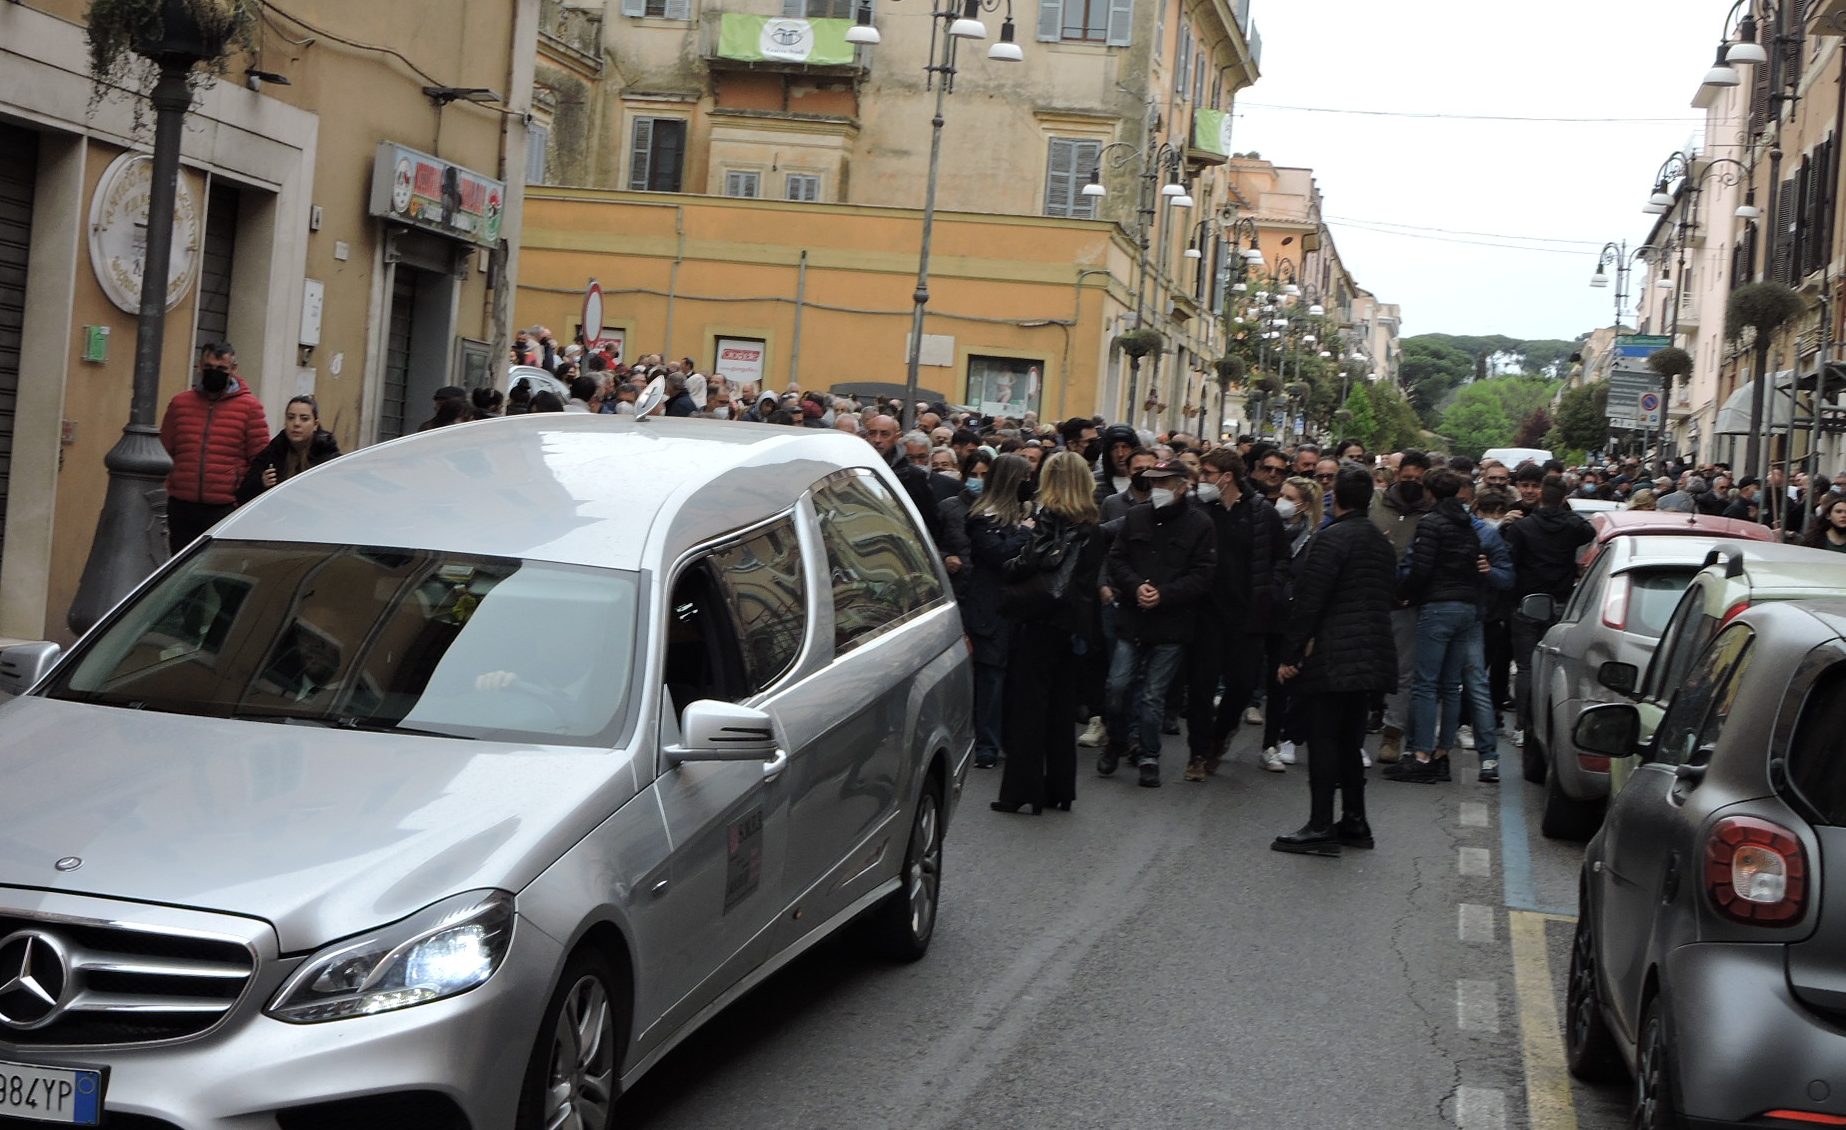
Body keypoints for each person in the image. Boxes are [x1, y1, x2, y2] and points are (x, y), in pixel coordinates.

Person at [1272, 466, 1398, 857]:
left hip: (1334, 653)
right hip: (1370, 654)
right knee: (1348, 740)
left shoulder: (1331, 539)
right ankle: (1355, 820)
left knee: (1324, 740)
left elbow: (1310, 600)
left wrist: (1291, 654)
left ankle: (1321, 824)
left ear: (1336, 499)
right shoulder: (1380, 542)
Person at [993, 451, 1105, 814]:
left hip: (1041, 619)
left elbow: (1033, 562)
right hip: (1073, 624)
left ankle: (1022, 791)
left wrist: (1011, 562)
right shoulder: (1092, 521)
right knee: (1060, 707)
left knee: (1029, 707)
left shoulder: (1050, 517)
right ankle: (1059, 788)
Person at [1101, 458, 1216, 788]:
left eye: (1164, 483)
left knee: (1153, 695)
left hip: (1172, 624)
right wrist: (1135, 586)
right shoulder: (1135, 517)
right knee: (1117, 686)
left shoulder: (1200, 525)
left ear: (1182, 486)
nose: (1157, 489)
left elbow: (1203, 575)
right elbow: (1117, 559)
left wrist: (1164, 595)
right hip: (1133, 618)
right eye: (1153, 483)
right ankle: (1117, 740)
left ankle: (1149, 754)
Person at [1503, 474, 1594, 748]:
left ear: (1541, 495)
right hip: (1561, 602)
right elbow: (1588, 531)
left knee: (1527, 667)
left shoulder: (1522, 528)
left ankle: (1522, 725)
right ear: (1564, 497)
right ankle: (1548, 722)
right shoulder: (1571, 526)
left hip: (1528, 602)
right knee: (1556, 669)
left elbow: (1511, 563)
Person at [159, 341, 270, 554]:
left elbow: (260, 459)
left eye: (221, 369)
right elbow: (165, 450)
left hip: (225, 507)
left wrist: (244, 497)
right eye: (208, 368)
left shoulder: (250, 408)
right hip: (182, 506)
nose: (214, 373)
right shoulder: (180, 404)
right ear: (199, 367)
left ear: (233, 370)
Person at [965, 454, 1035, 769]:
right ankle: (986, 746)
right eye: (1025, 478)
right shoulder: (982, 516)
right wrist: (1025, 533)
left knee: (1016, 679)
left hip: (1019, 609)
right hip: (990, 609)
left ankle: (1010, 740)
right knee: (991, 680)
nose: (1030, 484)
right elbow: (999, 557)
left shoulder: (1028, 515)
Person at [1371, 449, 1433, 763]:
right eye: (1406, 477)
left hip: (1406, 600)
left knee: (1402, 671)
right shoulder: (1375, 503)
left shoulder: (1431, 514)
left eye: (1417, 480)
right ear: (1397, 476)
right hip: (1368, 595)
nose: (1411, 483)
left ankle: (1392, 735)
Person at [237, 395, 341, 503]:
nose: (296, 424)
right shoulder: (274, 452)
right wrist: (260, 483)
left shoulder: (329, 457)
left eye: (304, 419)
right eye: (291, 417)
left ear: (315, 424)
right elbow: (242, 496)